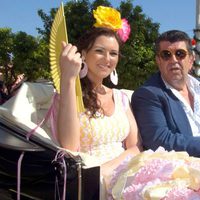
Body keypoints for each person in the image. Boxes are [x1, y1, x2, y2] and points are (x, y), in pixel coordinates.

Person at [56, 5, 142, 176]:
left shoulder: (121, 96)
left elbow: (135, 146)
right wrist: (68, 78)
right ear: (84, 54)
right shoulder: (69, 94)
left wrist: (112, 169)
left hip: (125, 173)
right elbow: (70, 147)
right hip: (90, 179)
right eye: (99, 51)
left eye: (113, 53)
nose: (107, 59)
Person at [131, 30, 200, 158]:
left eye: (180, 54)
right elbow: (159, 140)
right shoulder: (147, 94)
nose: (173, 60)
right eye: (166, 55)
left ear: (191, 59)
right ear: (158, 60)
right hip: (183, 169)